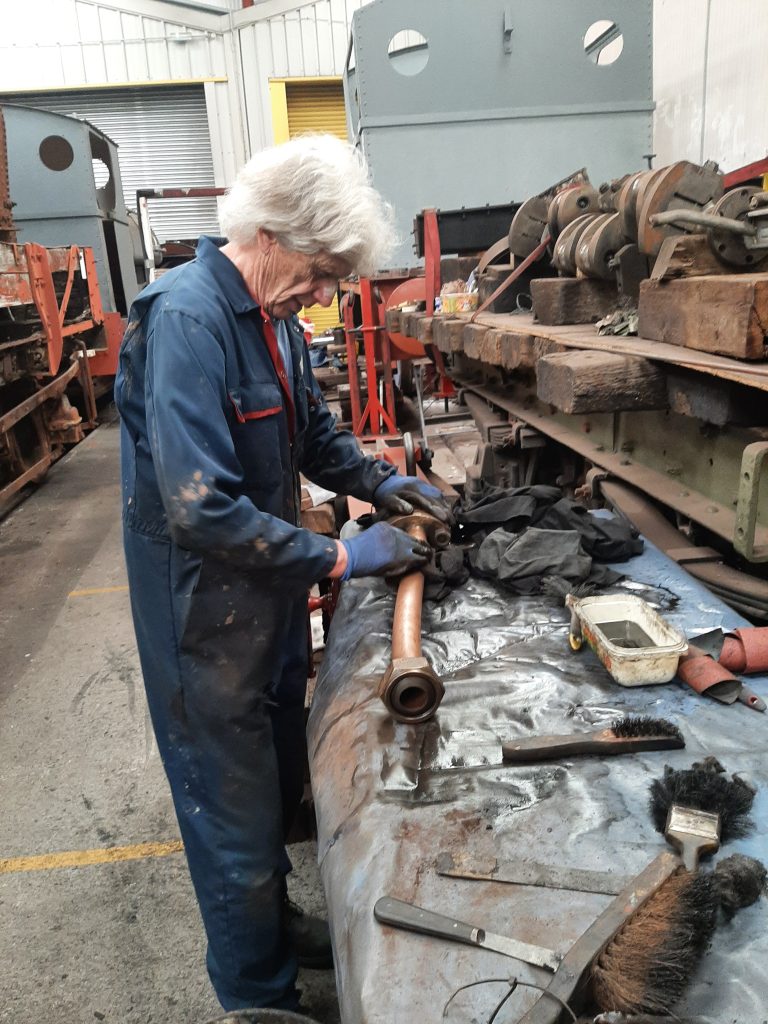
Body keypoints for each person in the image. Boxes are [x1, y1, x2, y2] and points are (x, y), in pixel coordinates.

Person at [114, 134, 451, 1014]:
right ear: (268, 234)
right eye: (321, 271)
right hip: (201, 619)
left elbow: (311, 437)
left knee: (271, 787)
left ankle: (269, 928)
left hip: (262, 601)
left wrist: (379, 481)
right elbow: (199, 509)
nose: (325, 294)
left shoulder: (275, 324)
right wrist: (343, 554)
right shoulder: (187, 321)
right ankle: (256, 994)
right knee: (230, 818)